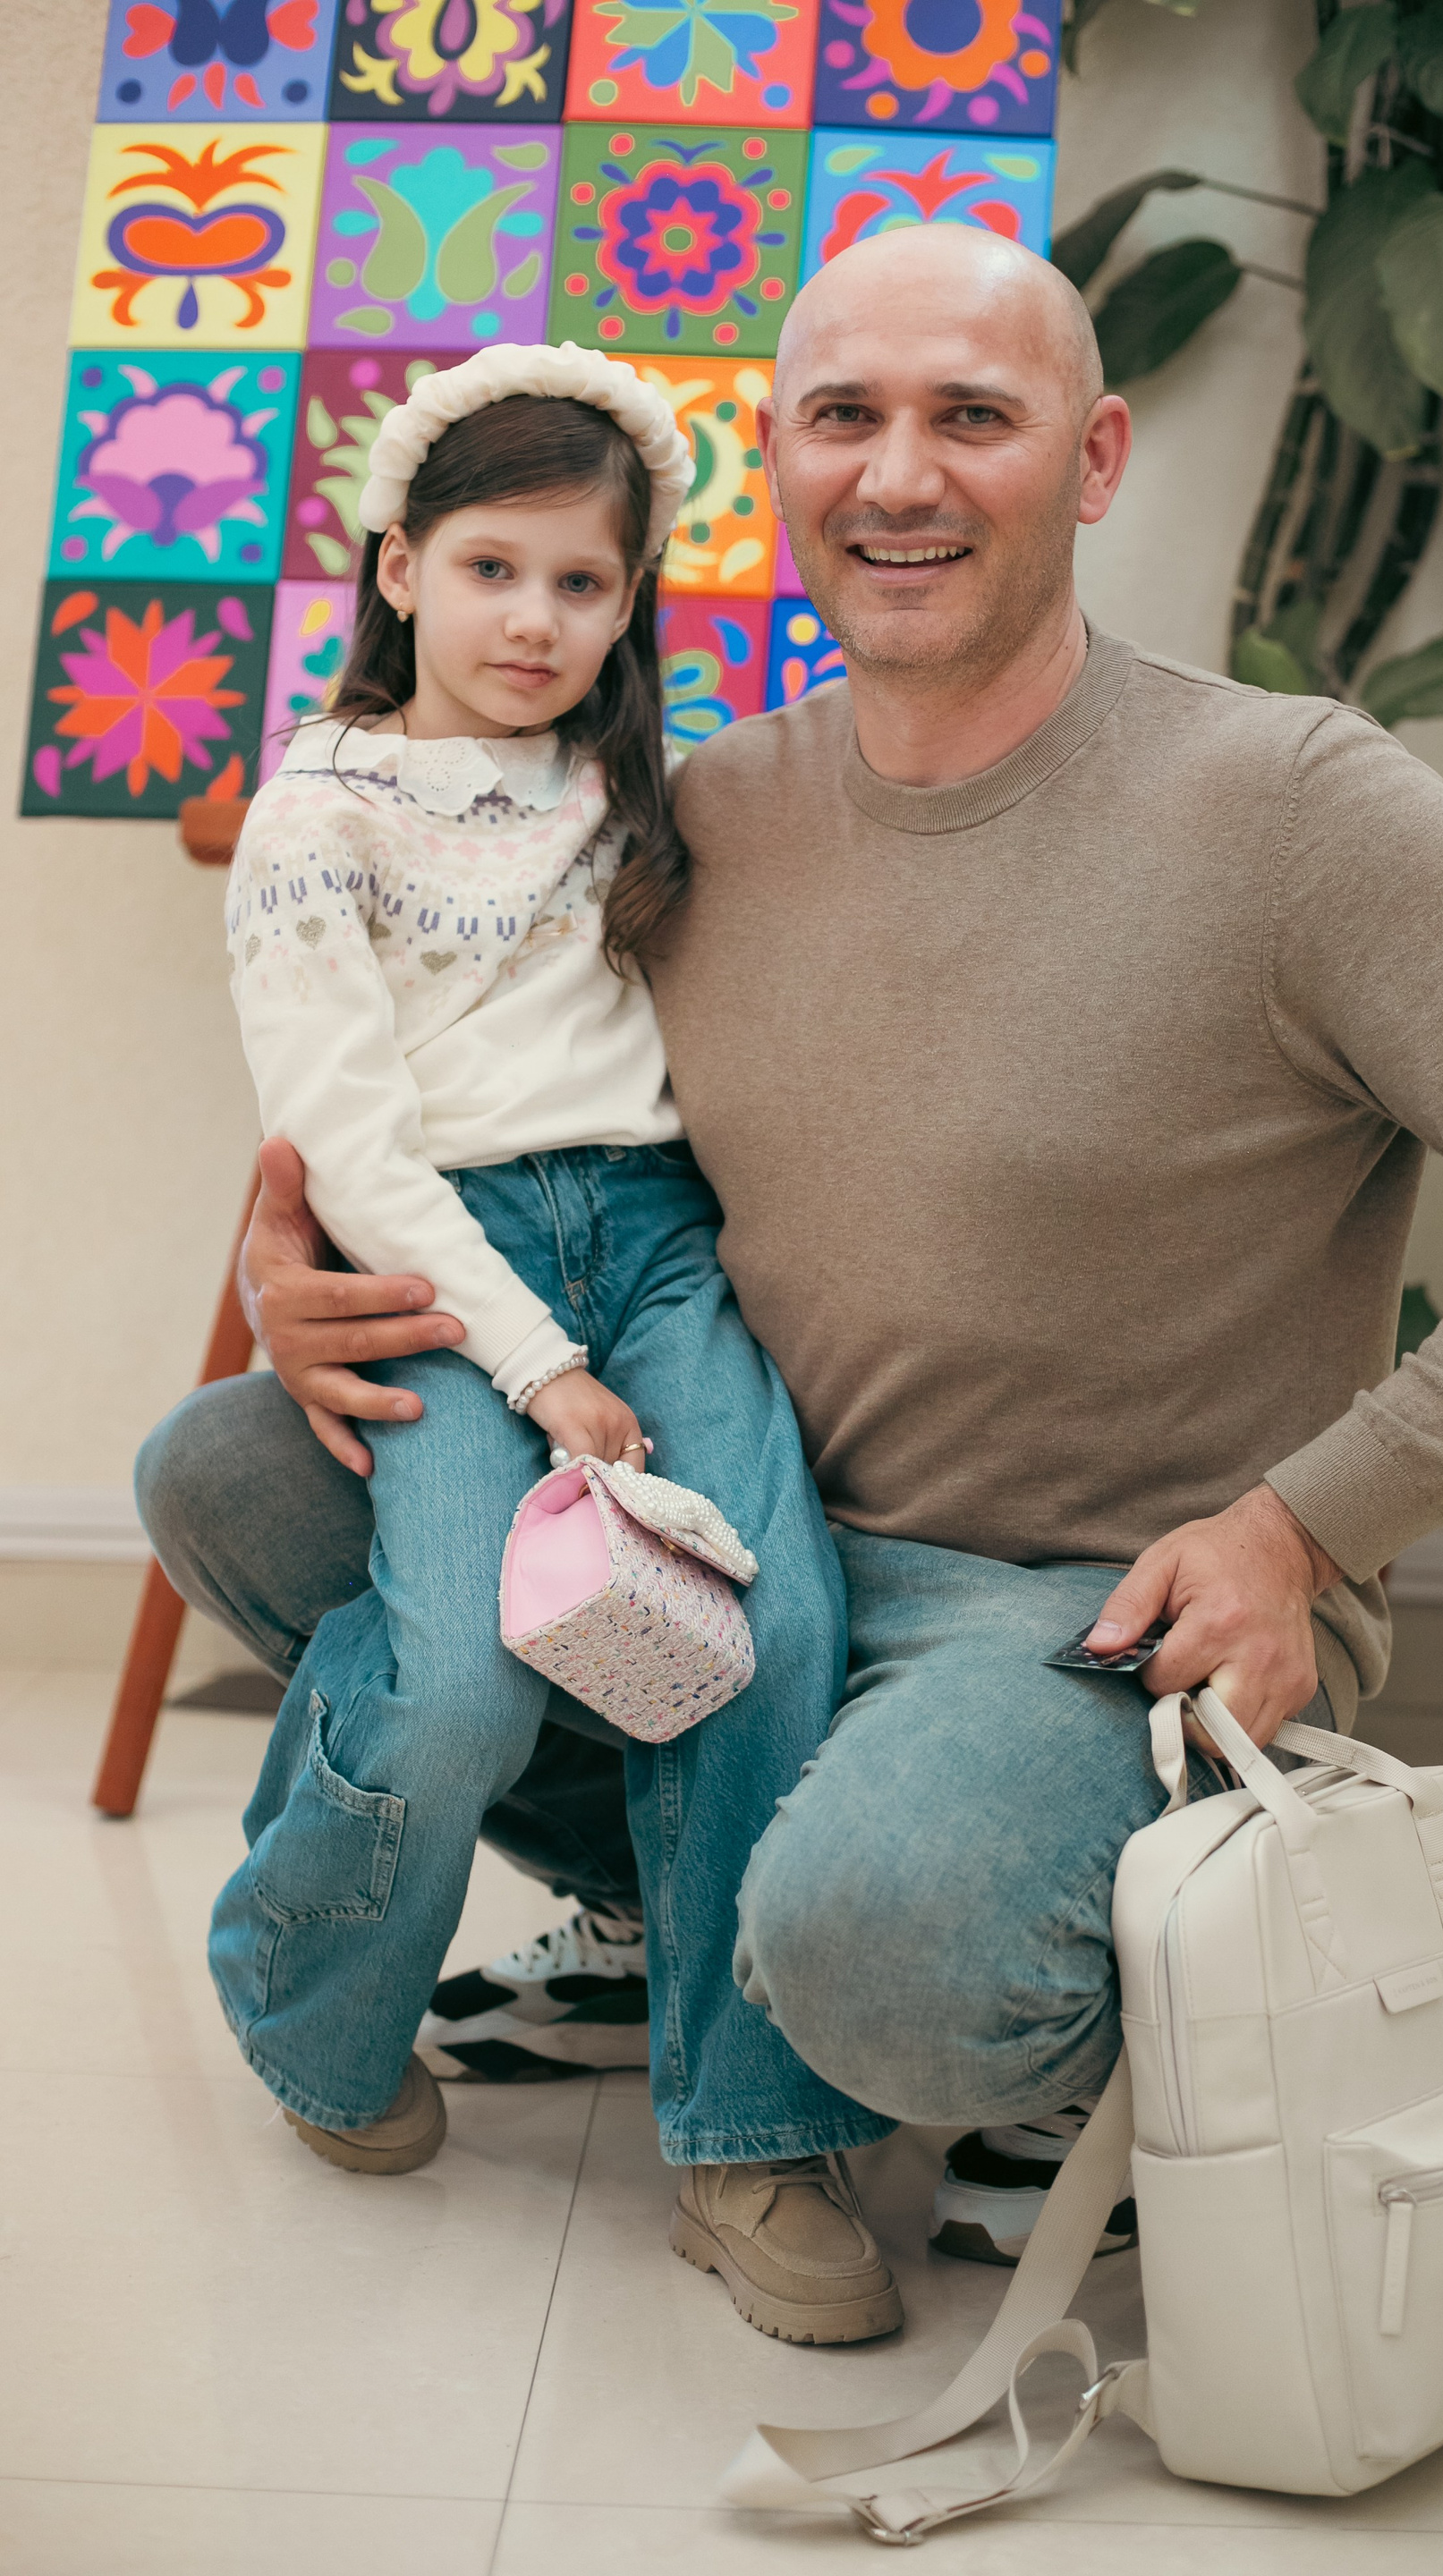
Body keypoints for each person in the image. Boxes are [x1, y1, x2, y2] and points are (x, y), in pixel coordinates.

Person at [140, 229, 1443, 2342]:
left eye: (974, 417)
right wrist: (294, 1254)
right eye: (844, 419)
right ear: (775, 461)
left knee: (884, 1941)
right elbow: (479, 1098)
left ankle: (1006, 1995)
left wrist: (1304, 1529)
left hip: (1093, 1607)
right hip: (745, 1532)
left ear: (1097, 457)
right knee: (235, 1472)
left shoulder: (1296, 806)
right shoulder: (690, 817)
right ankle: (678, 1906)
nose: (899, 476)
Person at [198, 341, 907, 2342]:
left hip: (660, 1240)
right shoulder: (316, 814)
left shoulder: (632, 788)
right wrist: (535, 1365)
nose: (535, 620)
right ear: (398, 566)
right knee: (458, 1688)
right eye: (492, 569)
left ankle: (753, 2133)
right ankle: (309, 2003)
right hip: (444, 1262)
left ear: (629, 600)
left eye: (583, 583)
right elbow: (351, 1144)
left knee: (764, 1623)